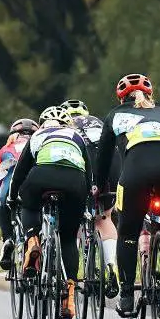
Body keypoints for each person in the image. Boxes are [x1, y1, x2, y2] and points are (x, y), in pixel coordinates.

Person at [94, 73, 160, 317]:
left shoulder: (114, 115)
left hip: (137, 171)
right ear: (150, 94)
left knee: (127, 230)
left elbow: (103, 159)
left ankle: (126, 296)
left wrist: (97, 187)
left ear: (120, 97)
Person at [9, 106, 92, 319]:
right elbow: (89, 172)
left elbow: (20, 173)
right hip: (75, 182)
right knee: (67, 238)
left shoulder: (37, 135)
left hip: (42, 176)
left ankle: (32, 240)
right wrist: (87, 200)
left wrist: (12, 197)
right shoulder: (76, 136)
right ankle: (70, 296)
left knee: (28, 204)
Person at [61, 99, 119, 295]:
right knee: (105, 218)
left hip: (84, 164)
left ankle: (78, 269)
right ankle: (112, 266)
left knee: (74, 218)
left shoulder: (66, 128)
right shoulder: (98, 122)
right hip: (111, 165)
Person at [0, 118, 38, 270]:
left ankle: (8, 240)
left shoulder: (4, 150)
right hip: (33, 189)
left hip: (8, 190)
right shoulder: (39, 146)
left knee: (3, 205)